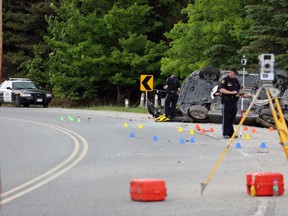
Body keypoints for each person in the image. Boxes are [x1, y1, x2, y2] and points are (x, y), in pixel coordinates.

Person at [219, 68, 241, 139]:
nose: (234, 75)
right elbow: (222, 90)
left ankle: (231, 133)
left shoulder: (235, 80)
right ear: (231, 72)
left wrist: (241, 90)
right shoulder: (225, 80)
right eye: (233, 74)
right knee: (226, 117)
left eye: (235, 74)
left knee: (232, 117)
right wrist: (231, 93)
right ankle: (225, 133)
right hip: (227, 100)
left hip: (234, 101)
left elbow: (238, 89)